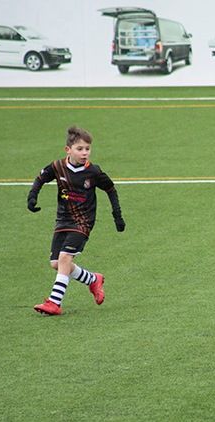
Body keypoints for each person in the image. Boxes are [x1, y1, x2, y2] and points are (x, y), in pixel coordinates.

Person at [27, 125, 125, 316]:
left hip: (83, 222)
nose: (84, 153)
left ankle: (54, 303)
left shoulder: (94, 172)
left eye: (87, 149)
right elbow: (40, 179)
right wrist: (32, 197)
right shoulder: (57, 166)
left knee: (65, 258)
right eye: (80, 149)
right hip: (62, 221)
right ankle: (93, 280)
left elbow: (111, 189)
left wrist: (117, 215)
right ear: (68, 150)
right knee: (56, 263)